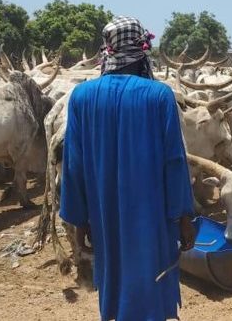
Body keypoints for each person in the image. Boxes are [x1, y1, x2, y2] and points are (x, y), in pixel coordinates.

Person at [60, 16, 195, 321]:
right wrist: (184, 218)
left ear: (108, 50)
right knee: (152, 280)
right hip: (152, 217)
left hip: (104, 215)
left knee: (113, 275)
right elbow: (174, 162)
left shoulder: (81, 97)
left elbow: (74, 167)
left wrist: (79, 222)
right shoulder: (159, 96)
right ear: (142, 50)